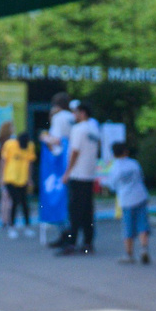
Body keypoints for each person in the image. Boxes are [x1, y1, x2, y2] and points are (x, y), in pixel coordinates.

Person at [55, 100, 100, 255]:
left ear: (83, 113)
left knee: (74, 212)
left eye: (76, 112)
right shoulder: (94, 128)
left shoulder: (78, 129)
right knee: (87, 211)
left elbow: (75, 151)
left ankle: (71, 242)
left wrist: (67, 172)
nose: (74, 115)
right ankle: (88, 242)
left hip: (78, 174)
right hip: (89, 175)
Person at [106, 143, 151, 264]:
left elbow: (112, 185)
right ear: (126, 151)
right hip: (140, 196)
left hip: (126, 200)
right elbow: (141, 177)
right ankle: (144, 249)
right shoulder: (134, 164)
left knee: (128, 227)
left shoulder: (115, 168)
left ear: (114, 154)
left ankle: (129, 254)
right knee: (142, 225)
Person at [1, 129, 37, 238]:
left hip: (23, 179)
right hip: (10, 178)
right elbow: (4, 161)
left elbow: (30, 163)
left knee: (25, 203)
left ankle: (27, 226)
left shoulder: (30, 146)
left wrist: (29, 178)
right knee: (15, 202)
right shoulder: (10, 145)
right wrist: (2, 177)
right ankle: (11, 226)